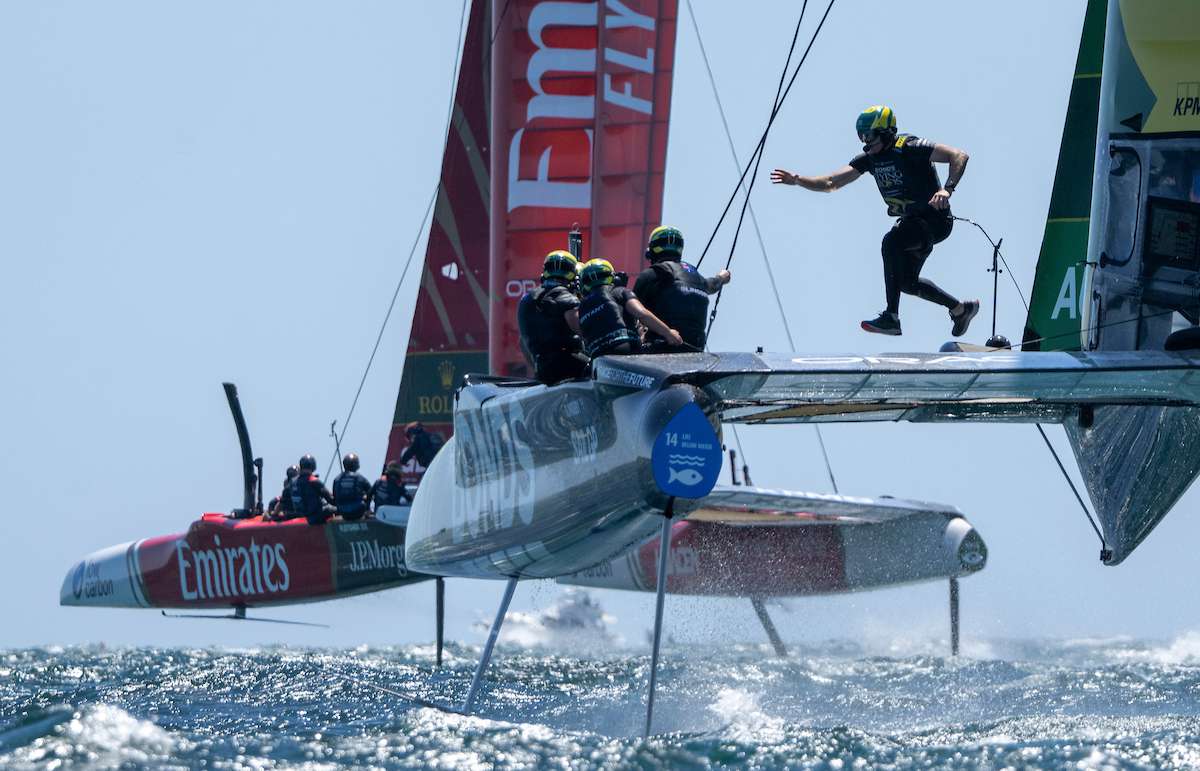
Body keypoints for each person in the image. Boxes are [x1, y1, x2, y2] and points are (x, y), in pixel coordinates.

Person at [771, 105, 979, 337]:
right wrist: (799, 180)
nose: (865, 142)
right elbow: (831, 183)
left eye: (869, 136)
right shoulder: (869, 159)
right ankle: (961, 309)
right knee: (906, 283)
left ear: (886, 132)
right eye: (861, 137)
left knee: (891, 243)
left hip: (935, 220)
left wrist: (947, 190)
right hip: (913, 224)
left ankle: (891, 317)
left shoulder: (909, 147)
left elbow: (958, 155)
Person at [632, 226, 731, 352]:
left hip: (662, 348)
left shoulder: (650, 275)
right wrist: (722, 277)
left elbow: (631, 312)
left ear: (652, 251)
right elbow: (713, 285)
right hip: (695, 349)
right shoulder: (696, 275)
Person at [577, 258, 682, 356]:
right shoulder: (619, 291)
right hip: (626, 352)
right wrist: (668, 333)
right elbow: (641, 313)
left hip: (599, 360)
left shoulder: (581, 307)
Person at [517, 250, 588, 384]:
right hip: (570, 366)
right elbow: (585, 331)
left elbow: (522, 342)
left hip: (542, 369)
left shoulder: (527, 300)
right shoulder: (564, 297)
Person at [290, 454, 335, 526]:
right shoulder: (313, 481)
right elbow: (331, 500)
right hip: (314, 517)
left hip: (299, 515)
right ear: (313, 466)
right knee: (334, 509)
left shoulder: (293, 482)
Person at [331, 453, 372, 521]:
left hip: (342, 511)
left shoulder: (336, 479)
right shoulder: (360, 478)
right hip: (358, 511)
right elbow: (371, 492)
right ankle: (367, 514)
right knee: (365, 499)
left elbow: (335, 496)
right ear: (356, 465)